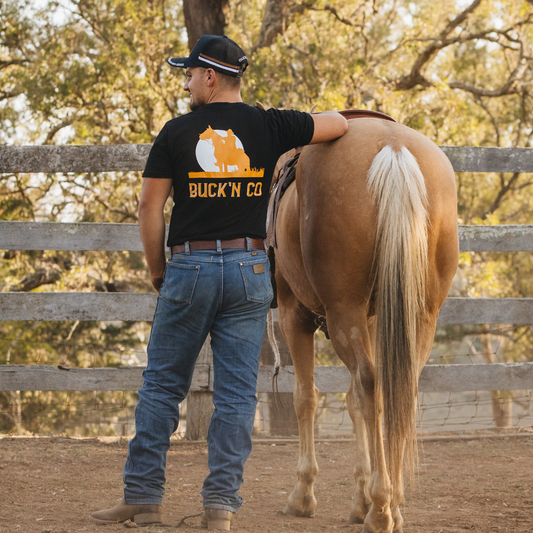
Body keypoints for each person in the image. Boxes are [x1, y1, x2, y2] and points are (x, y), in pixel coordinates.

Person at [90, 34, 348, 530]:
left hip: (190, 269)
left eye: (188, 73)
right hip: (250, 272)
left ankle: (143, 497)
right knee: (236, 396)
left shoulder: (176, 132)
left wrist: (157, 270)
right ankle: (220, 509)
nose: (186, 82)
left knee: (163, 385)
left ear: (209, 76)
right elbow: (337, 124)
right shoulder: (271, 124)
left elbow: (149, 207)